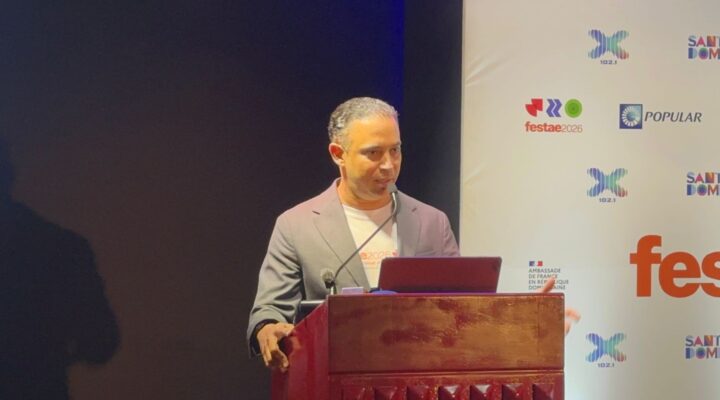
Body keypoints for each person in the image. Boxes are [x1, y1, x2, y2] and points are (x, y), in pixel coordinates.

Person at [247, 97, 578, 372]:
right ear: (338, 154)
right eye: (373, 153)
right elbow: (269, 311)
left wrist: (526, 321)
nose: (389, 165)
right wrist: (268, 329)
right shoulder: (297, 225)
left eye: (395, 150)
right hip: (334, 382)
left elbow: (465, 313)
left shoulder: (432, 222)